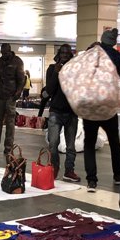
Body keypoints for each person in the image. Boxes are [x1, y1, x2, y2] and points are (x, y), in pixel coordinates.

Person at [83, 28, 120, 192]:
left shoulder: (93, 53)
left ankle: (92, 180)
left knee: (89, 143)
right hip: (109, 105)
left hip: (92, 105)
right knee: (114, 141)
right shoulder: (119, 58)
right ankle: (118, 175)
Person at [46, 44, 80, 182]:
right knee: (53, 143)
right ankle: (54, 168)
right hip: (56, 112)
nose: (65, 56)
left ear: (70, 55)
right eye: (63, 53)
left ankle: (69, 170)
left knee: (71, 146)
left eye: (67, 53)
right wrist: (56, 73)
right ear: (59, 54)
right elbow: (49, 89)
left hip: (71, 112)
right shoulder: (51, 69)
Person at [0, 43, 25, 154]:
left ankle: (8, 147)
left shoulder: (17, 61)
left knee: (10, 122)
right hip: (0, 95)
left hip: (11, 95)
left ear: (10, 50)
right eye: (2, 53)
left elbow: (21, 79)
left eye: (6, 53)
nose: (4, 55)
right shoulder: (1, 60)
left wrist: (18, 93)